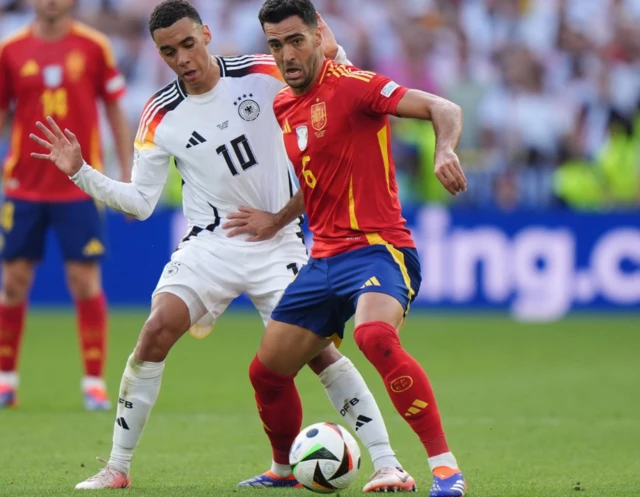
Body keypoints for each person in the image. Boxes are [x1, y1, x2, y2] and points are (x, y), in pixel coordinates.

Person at [30, 0, 417, 492]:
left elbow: (333, 66)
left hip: (278, 245)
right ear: (159, 53)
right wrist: (81, 172)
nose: (183, 59)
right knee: (154, 333)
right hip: (209, 245)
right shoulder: (159, 115)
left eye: (189, 44)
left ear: (207, 35)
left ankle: (387, 463)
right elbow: (140, 204)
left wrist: (278, 217)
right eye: (169, 52)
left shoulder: (262, 72)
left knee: (319, 355)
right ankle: (117, 467)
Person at [234, 0, 469, 495]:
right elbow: (316, 181)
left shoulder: (355, 85)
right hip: (322, 261)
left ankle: (445, 469)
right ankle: (282, 470)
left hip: (379, 249)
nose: (286, 54)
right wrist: (278, 218)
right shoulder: (283, 105)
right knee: (266, 373)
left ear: (319, 35)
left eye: (296, 40)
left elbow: (443, 107)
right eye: (275, 45)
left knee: (374, 338)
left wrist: (444, 148)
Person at [0, 0, 131, 410]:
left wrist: (126, 175)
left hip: (79, 187)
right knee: (14, 282)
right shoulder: (10, 50)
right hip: (23, 185)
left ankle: (93, 382)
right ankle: (6, 380)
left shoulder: (94, 47)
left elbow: (114, 108)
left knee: (83, 280)